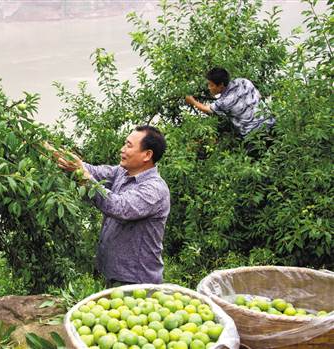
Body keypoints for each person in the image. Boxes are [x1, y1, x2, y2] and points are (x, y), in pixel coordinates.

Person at [50, 125, 170, 287]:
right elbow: (91, 171)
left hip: (136, 280)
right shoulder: (122, 172)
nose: (122, 149)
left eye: (128, 145)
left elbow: (119, 207)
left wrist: (85, 178)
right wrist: (47, 148)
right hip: (115, 273)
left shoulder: (154, 189)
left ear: (147, 155)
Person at [185, 67, 275, 137]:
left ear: (221, 85)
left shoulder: (224, 102)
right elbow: (259, 96)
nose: (209, 87)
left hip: (254, 135)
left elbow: (206, 109)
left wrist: (192, 101)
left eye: (211, 85)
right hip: (271, 123)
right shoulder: (243, 81)